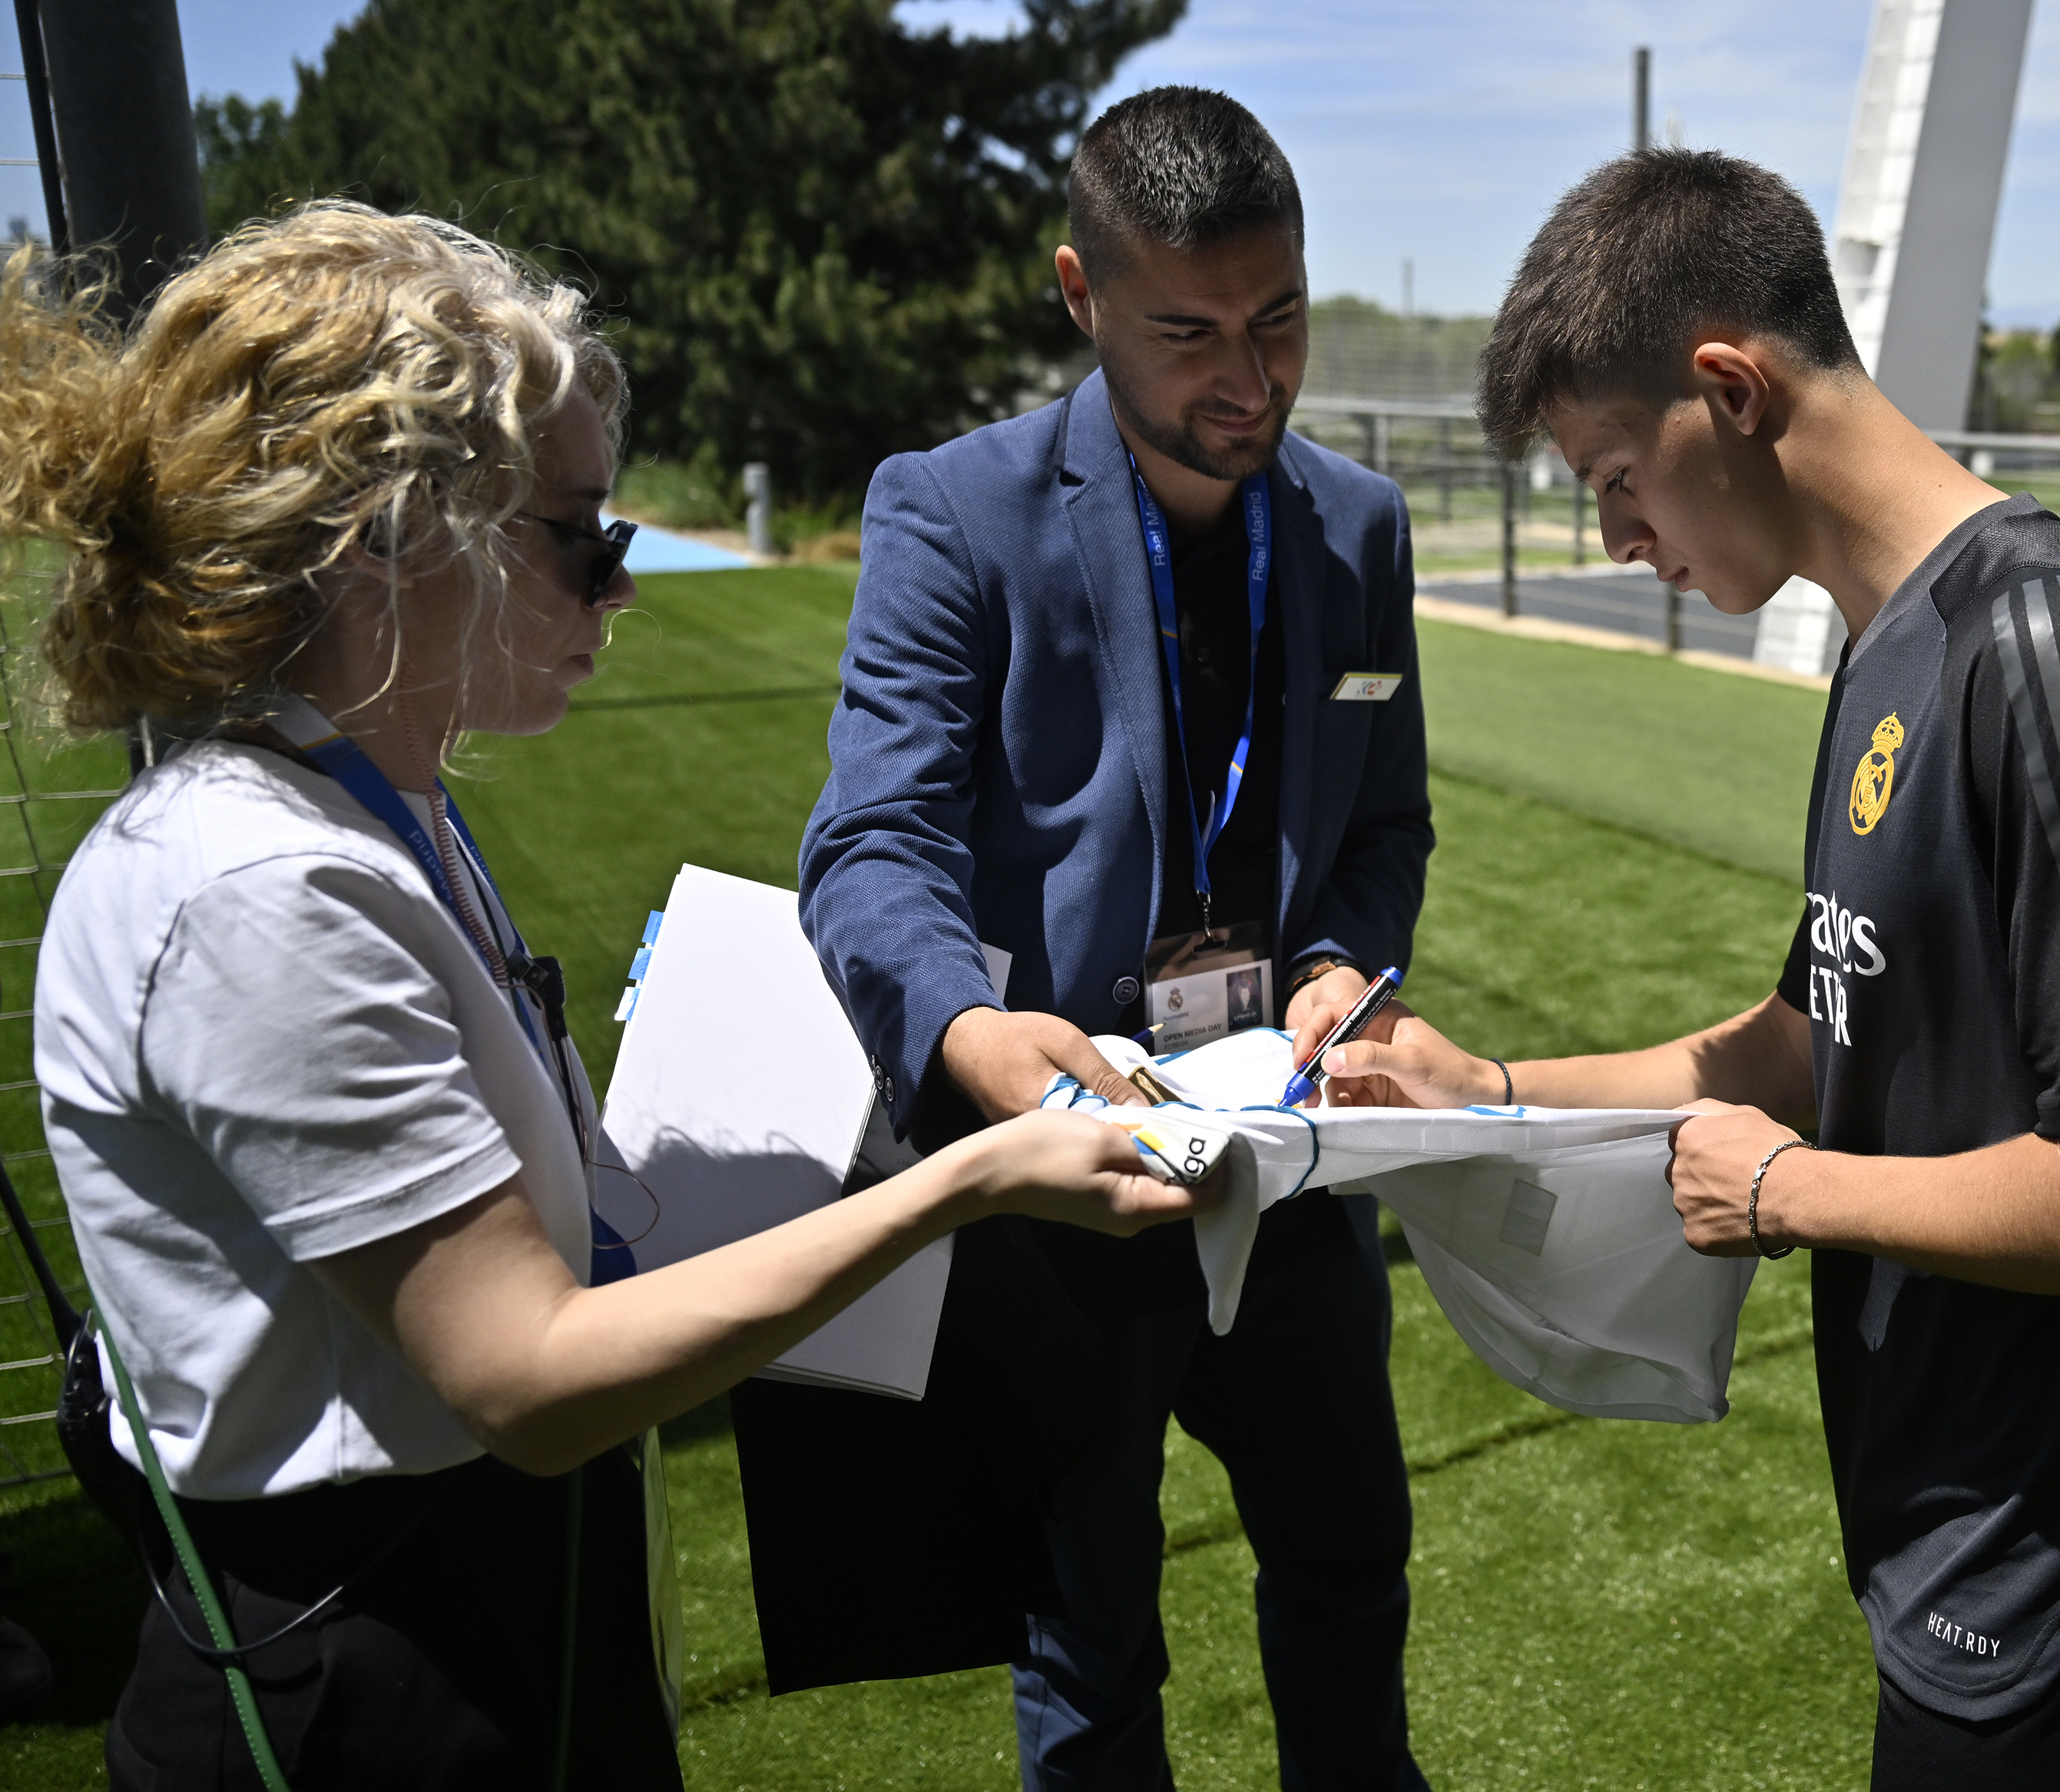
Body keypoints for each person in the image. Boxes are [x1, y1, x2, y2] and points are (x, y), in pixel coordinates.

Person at [9, 203, 1201, 1790]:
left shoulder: (380, 811)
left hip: (494, 1602)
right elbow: (530, 1379)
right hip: (375, 1670)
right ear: (395, 536)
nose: (619, 587)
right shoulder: (260, 892)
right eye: (584, 535)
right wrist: (967, 1187)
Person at [1326, 150, 2060, 1790]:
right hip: (1953, 1518)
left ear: (1729, 387)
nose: (1616, 532)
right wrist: (1479, 1091)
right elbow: (1806, 1031)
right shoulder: (1888, 644)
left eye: (1615, 474)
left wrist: (1792, 1197)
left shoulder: (2059, 655)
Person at [799, 87, 1432, 1792]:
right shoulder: (955, 511)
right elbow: (870, 848)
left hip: (1287, 1169)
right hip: (1065, 1171)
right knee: (1086, 1644)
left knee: (1350, 1578)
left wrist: (1335, 972)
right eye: (1190, 333)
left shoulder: (1359, 531)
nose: (1251, 378)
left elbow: (1385, 833)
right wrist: (968, 1039)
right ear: (1081, 295)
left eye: (1280, 317)